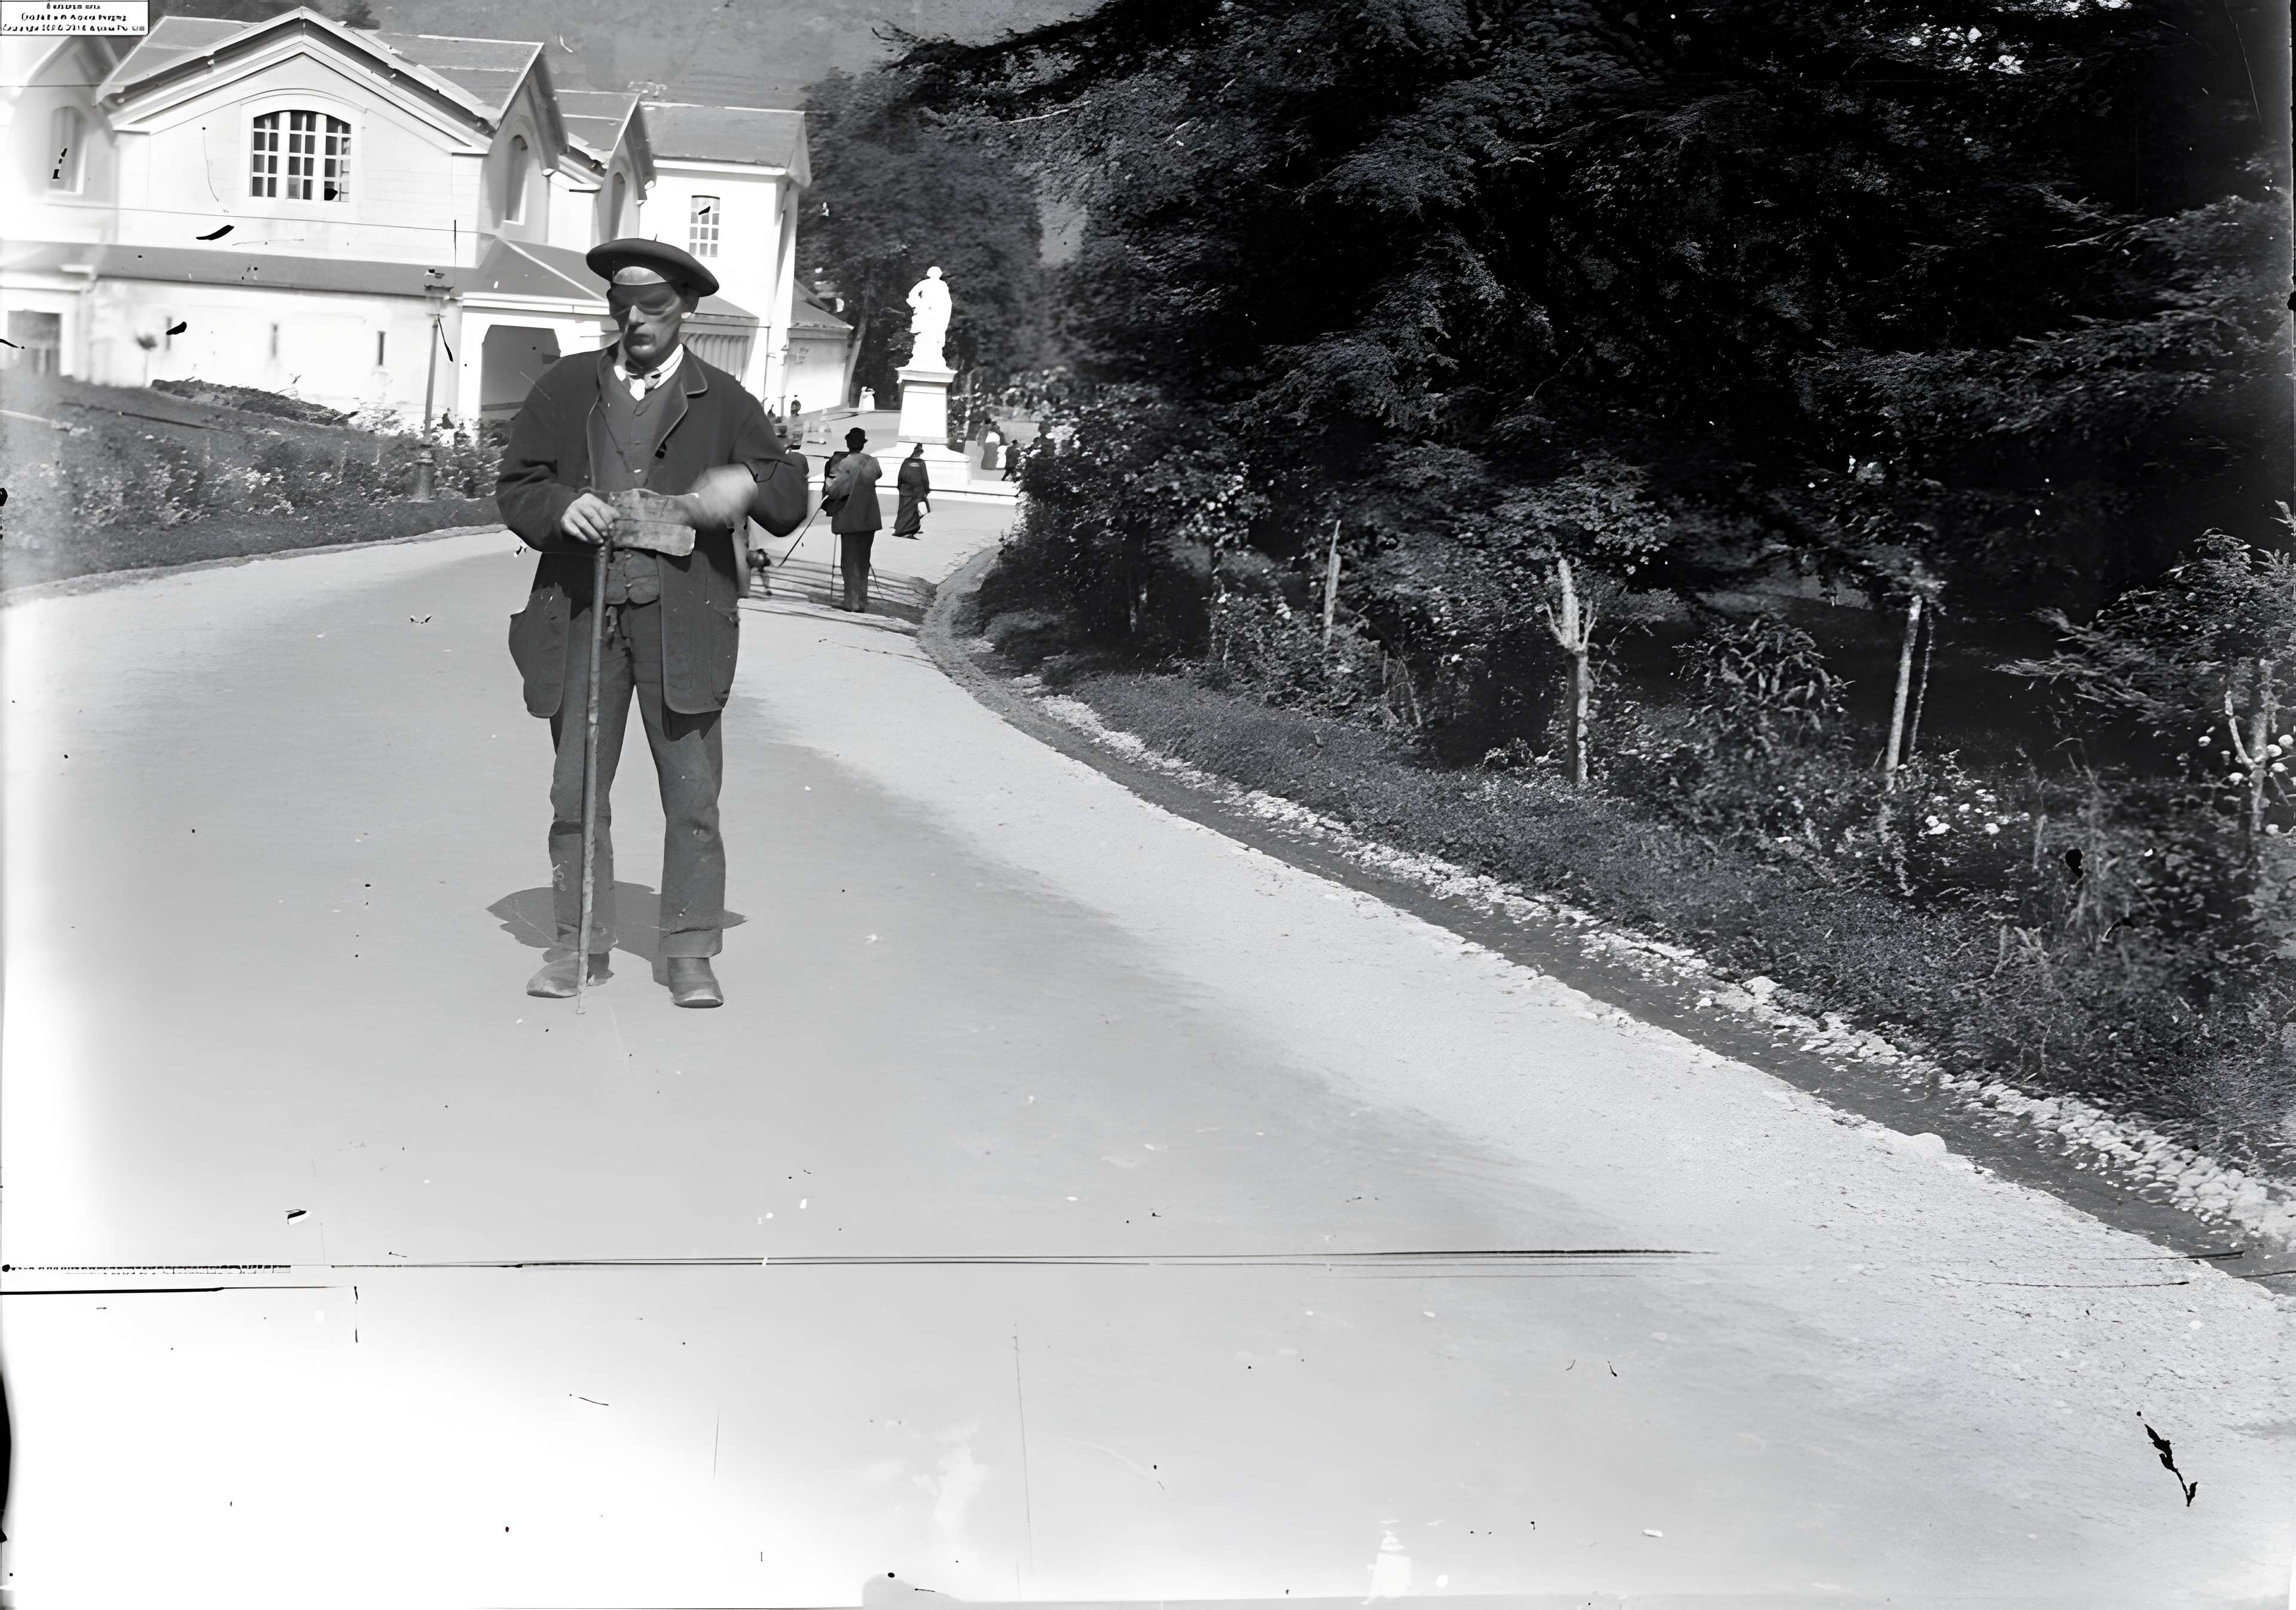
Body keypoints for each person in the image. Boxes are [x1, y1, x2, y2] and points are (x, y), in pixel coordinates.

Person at [496, 237, 808, 1008]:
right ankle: (577, 943)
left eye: (655, 306)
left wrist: (746, 482)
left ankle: (690, 949)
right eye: (622, 304)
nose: (635, 320)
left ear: (687, 308)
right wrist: (560, 506)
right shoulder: (567, 386)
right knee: (575, 793)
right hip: (580, 617)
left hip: (686, 627)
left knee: (693, 796)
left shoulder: (724, 399)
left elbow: (787, 493)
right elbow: (518, 484)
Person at [824, 425, 882, 611]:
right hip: (869, 519)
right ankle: (862, 602)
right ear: (863, 444)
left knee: (849, 562)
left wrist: (829, 475)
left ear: (848, 443)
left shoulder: (843, 464)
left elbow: (833, 490)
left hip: (849, 519)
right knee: (863, 562)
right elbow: (878, 474)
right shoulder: (873, 462)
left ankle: (852, 603)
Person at [893, 443, 930, 539]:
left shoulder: (906, 462)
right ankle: (908, 530)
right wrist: (927, 490)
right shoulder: (921, 463)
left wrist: (900, 487)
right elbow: (925, 478)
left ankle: (900, 528)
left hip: (905, 490)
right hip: (917, 491)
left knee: (904, 510)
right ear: (920, 453)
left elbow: (900, 475)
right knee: (914, 512)